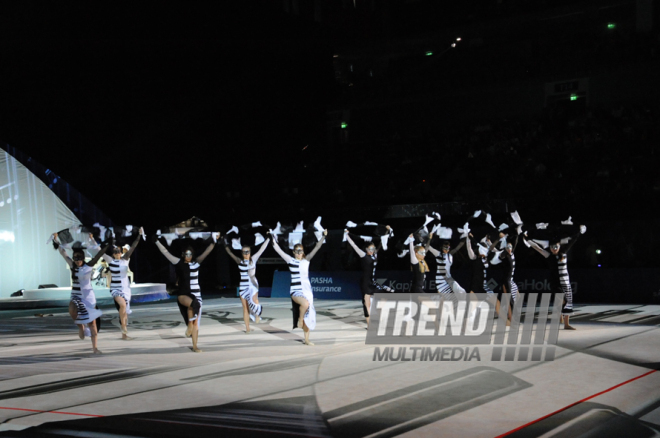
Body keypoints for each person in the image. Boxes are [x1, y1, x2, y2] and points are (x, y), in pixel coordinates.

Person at [155, 234, 218, 352]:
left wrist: (215, 241)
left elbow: (208, 251)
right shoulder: (179, 263)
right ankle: (189, 326)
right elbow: (166, 253)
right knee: (193, 304)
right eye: (186, 254)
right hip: (183, 294)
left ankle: (195, 346)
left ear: (192, 255)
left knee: (196, 322)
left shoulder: (196, 263)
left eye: (190, 254)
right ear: (183, 254)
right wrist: (157, 242)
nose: (188, 256)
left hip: (197, 294)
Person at [53, 232, 111, 354]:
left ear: (83, 258)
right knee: (72, 310)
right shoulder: (72, 265)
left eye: (79, 258)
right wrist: (56, 239)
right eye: (75, 258)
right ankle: (80, 326)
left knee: (92, 323)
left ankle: (95, 348)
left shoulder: (89, 265)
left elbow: (99, 254)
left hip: (88, 296)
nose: (77, 260)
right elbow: (63, 253)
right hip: (75, 295)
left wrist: (104, 244)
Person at [271, 229, 327, 346]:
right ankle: (300, 320)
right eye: (297, 251)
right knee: (305, 305)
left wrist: (323, 237)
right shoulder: (290, 260)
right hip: (296, 290)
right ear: (293, 252)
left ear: (303, 251)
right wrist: (271, 237)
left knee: (309, 312)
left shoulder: (306, 261)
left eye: (300, 251)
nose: (299, 253)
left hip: (307, 290)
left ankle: (306, 339)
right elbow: (278, 250)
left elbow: (317, 247)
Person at [526, 233, 580, 330]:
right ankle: (559, 315)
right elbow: (537, 248)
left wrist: (578, 232)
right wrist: (528, 239)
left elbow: (572, 241)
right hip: (555, 282)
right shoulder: (549, 255)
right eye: (552, 247)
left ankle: (566, 324)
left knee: (569, 301)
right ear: (549, 247)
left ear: (559, 246)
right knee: (563, 300)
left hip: (566, 281)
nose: (554, 249)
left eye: (556, 247)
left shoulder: (564, 253)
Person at [98, 228, 143, 340]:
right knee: (122, 306)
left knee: (124, 312)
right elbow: (100, 251)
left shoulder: (125, 259)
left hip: (126, 289)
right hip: (115, 289)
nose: (117, 253)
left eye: (118, 251)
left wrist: (139, 235)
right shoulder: (110, 261)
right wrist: (94, 241)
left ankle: (124, 334)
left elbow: (133, 246)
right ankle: (123, 328)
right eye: (115, 252)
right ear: (113, 254)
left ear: (121, 252)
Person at [345, 227, 393, 325]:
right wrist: (347, 235)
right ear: (366, 249)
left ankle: (376, 314)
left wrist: (387, 231)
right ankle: (369, 323)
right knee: (366, 303)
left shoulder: (374, 255)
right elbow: (354, 245)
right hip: (365, 283)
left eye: (373, 249)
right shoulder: (363, 255)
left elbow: (381, 242)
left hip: (372, 281)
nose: (372, 250)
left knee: (386, 294)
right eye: (370, 249)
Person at [223, 237, 270, 334]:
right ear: (241, 253)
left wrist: (269, 238)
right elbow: (229, 252)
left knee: (255, 300)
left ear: (250, 252)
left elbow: (262, 249)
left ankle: (257, 314)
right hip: (243, 286)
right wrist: (224, 241)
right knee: (245, 308)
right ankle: (247, 328)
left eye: (248, 252)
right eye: (244, 252)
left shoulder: (254, 259)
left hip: (252, 285)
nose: (246, 254)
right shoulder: (239, 261)